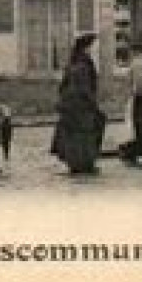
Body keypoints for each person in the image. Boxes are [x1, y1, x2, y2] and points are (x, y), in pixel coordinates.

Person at [50, 33, 106, 175]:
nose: (92, 50)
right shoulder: (83, 65)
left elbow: (62, 86)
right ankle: (84, 164)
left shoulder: (73, 63)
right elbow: (84, 88)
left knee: (74, 135)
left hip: (70, 105)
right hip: (81, 106)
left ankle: (77, 163)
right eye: (91, 47)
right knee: (85, 134)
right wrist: (93, 103)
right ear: (85, 48)